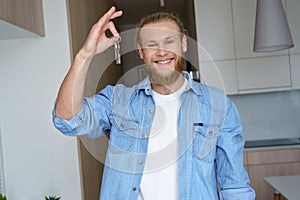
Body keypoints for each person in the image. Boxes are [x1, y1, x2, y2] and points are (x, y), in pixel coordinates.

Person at [52, 6, 255, 200]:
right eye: (152, 45)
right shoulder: (118, 100)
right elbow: (68, 120)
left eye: (169, 42)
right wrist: (85, 55)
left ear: (183, 44)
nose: (161, 51)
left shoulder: (218, 104)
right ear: (141, 52)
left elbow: (234, 184)